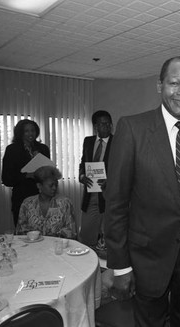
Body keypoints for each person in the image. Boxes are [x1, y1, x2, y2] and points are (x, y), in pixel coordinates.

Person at [102, 56, 180, 327]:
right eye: (174, 83)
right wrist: (120, 265)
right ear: (160, 86)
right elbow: (116, 203)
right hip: (146, 258)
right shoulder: (132, 128)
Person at [2, 119, 50, 226]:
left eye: (33, 130)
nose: (30, 133)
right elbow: (6, 179)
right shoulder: (12, 149)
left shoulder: (43, 148)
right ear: (20, 133)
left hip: (43, 196)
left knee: (45, 231)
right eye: (26, 131)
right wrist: (27, 175)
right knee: (23, 233)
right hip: (22, 197)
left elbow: (49, 172)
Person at [78, 110, 114, 257]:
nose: (106, 126)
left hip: (110, 196)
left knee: (109, 236)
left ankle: (106, 266)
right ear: (95, 126)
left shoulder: (118, 142)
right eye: (102, 123)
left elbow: (122, 168)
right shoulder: (88, 141)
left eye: (108, 123)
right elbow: (83, 162)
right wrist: (81, 176)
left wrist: (110, 180)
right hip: (91, 194)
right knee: (86, 234)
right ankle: (86, 263)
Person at [16, 166, 76, 239]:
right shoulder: (28, 204)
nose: (54, 188)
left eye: (56, 185)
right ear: (39, 186)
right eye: (51, 185)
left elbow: (71, 232)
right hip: (33, 247)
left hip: (58, 247)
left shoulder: (64, 203)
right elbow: (20, 232)